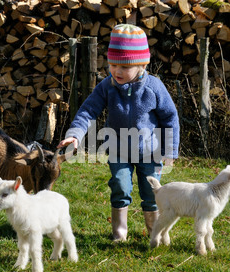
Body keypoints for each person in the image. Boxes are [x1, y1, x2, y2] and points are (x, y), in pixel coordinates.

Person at [57, 24, 180, 242]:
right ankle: (119, 233)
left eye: (124, 66)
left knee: (152, 194)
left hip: (150, 152)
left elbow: (170, 117)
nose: (117, 71)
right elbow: (88, 110)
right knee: (120, 187)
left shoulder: (154, 87)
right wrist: (75, 134)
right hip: (118, 150)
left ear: (141, 65)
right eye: (113, 64)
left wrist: (169, 149)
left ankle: (155, 232)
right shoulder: (107, 86)